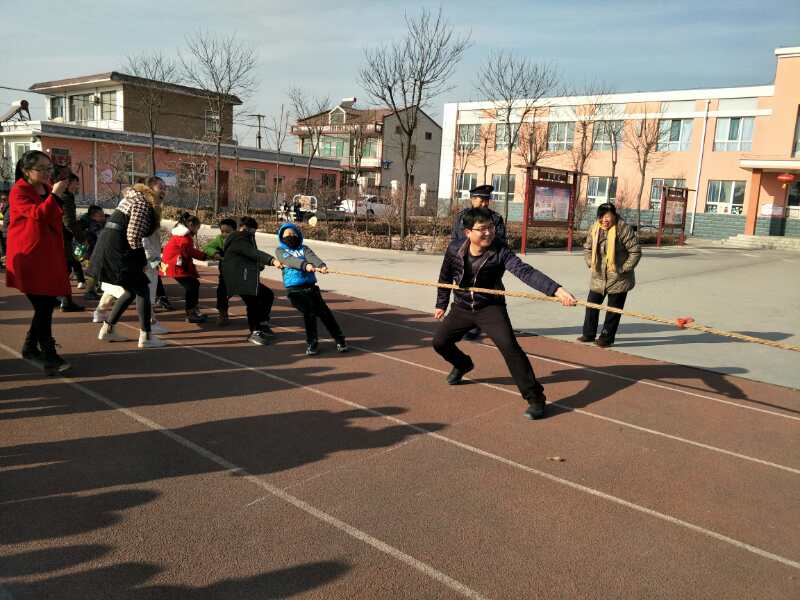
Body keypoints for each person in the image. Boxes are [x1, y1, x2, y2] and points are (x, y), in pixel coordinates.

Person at [433, 207, 577, 420]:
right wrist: (441, 304)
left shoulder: (500, 251)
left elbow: (525, 271)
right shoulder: (454, 249)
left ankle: (536, 398)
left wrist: (556, 290)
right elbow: (445, 277)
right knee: (439, 342)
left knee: (510, 348)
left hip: (490, 308)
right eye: (482, 229)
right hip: (462, 307)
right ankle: (463, 364)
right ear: (468, 233)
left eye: (491, 227)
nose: (489, 233)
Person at [5, 150, 71, 373]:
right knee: (43, 305)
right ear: (26, 171)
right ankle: (48, 353)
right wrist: (55, 196)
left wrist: (55, 195)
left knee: (46, 305)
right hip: (29, 257)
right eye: (40, 169)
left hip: (48, 254)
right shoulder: (19, 191)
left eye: (48, 168)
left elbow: (54, 215)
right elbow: (39, 214)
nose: (46, 173)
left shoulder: (47, 186)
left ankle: (30, 346)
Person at [90, 182, 165, 348]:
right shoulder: (141, 203)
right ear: (150, 192)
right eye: (161, 189)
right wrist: (142, 261)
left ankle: (108, 329)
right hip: (119, 249)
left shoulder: (131, 199)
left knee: (131, 291)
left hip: (110, 246)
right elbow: (133, 236)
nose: (164, 192)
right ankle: (146, 336)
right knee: (142, 289)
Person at [275, 222, 347, 355]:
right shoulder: (280, 251)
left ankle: (340, 339)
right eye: (287, 235)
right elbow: (290, 260)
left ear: (298, 235)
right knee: (309, 312)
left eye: (293, 234)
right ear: (281, 236)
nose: (290, 236)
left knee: (325, 313)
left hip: (311, 287)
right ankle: (312, 343)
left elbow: (312, 257)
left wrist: (321, 265)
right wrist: (305, 265)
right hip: (294, 290)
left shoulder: (304, 248)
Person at [578, 202, 641, 348]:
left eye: (608, 216)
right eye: (602, 216)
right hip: (598, 276)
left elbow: (635, 251)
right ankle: (588, 334)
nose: (605, 219)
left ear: (614, 215)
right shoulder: (595, 228)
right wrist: (590, 263)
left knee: (613, 310)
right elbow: (587, 247)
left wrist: (624, 268)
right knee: (591, 305)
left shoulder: (623, 228)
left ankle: (606, 337)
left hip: (618, 278)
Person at [451, 184, 508, 341]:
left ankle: (496, 324)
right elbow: (455, 240)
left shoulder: (495, 218)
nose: (484, 203)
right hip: (465, 263)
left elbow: (501, 243)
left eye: (487, 200)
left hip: (487, 264)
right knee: (462, 294)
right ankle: (465, 325)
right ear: (472, 199)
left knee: (491, 295)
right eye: (481, 200)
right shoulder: (462, 217)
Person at [220, 216, 281, 345]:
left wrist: (258, 265)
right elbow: (251, 252)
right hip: (238, 277)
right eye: (253, 231)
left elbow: (249, 255)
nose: (254, 233)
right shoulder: (239, 238)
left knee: (267, 295)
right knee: (253, 302)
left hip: (246, 276)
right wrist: (272, 260)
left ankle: (262, 323)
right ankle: (255, 331)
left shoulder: (247, 237)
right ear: (246, 228)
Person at [161, 212, 208, 324]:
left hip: (171, 264)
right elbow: (190, 251)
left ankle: (192, 310)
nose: (197, 230)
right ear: (191, 226)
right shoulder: (185, 238)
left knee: (193, 284)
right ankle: (191, 312)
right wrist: (205, 256)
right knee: (192, 285)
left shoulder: (180, 235)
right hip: (174, 265)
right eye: (197, 227)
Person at [58, 172, 86, 312]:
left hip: (59, 238)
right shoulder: (66, 198)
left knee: (63, 270)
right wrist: (81, 238)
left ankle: (61, 299)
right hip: (63, 239)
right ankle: (65, 301)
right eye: (75, 183)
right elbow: (69, 221)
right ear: (67, 183)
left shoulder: (61, 196)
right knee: (65, 270)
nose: (77, 186)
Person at [203, 218, 237, 326]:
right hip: (225, 272)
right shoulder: (219, 239)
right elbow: (207, 247)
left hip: (239, 273)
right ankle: (223, 314)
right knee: (221, 292)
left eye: (228, 231)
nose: (225, 234)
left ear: (235, 231)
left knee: (248, 294)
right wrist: (215, 253)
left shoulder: (239, 240)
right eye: (222, 231)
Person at [80, 205, 106, 301]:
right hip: (91, 254)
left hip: (93, 253)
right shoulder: (94, 225)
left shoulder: (96, 224)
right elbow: (100, 235)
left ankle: (95, 289)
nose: (103, 217)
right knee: (92, 274)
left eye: (103, 215)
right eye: (100, 215)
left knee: (96, 272)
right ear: (93, 217)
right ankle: (89, 292)